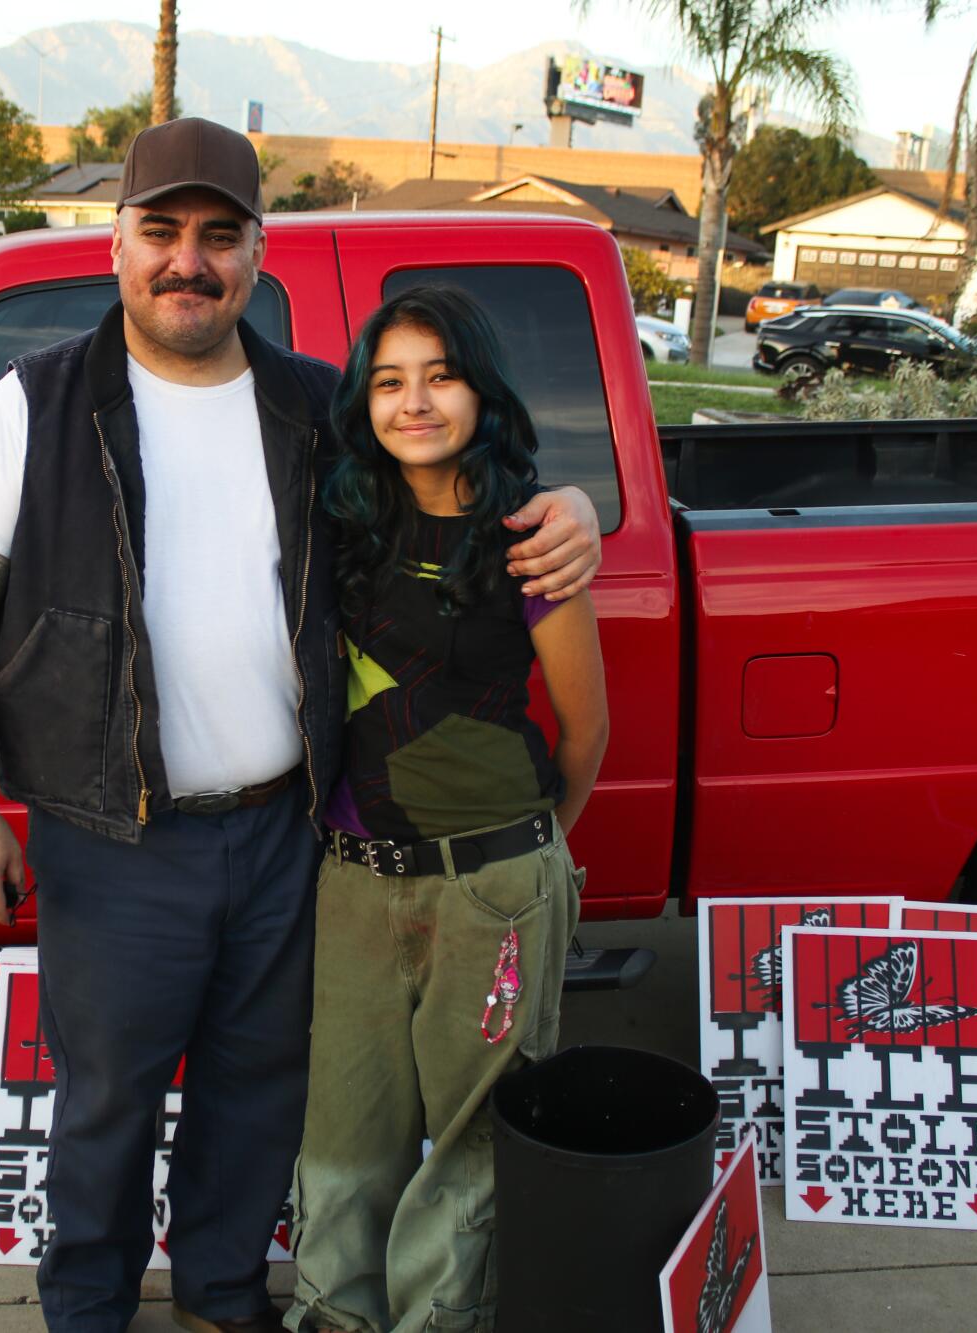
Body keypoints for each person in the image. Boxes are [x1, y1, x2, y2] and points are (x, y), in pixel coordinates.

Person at [0, 118, 600, 1333]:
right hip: (112, 838)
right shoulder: (34, 403)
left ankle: (223, 1294)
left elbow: (451, 477)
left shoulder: (312, 404)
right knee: (108, 1099)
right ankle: (88, 1305)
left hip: (291, 834)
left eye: (217, 236)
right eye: (161, 231)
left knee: (258, 1086)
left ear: (255, 254)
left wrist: (570, 507)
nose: (188, 261)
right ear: (116, 243)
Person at [287, 286, 609, 1333]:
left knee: (473, 1140)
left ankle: (440, 1319)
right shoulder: (339, 522)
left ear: (482, 391)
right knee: (343, 1128)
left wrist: (526, 859)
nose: (414, 402)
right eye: (389, 382)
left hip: (493, 885)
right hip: (353, 880)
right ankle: (332, 1313)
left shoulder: (530, 539)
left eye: (441, 376)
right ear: (363, 402)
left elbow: (585, 731)